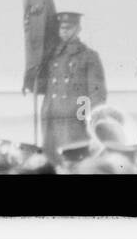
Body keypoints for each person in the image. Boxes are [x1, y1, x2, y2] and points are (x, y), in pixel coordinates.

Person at [36, 12, 107, 165]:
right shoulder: (52, 56)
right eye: (61, 28)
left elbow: (97, 91)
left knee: (75, 158)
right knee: (51, 160)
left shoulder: (88, 56)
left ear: (78, 29)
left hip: (75, 115)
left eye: (69, 28)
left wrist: (93, 116)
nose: (64, 31)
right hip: (52, 114)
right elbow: (43, 84)